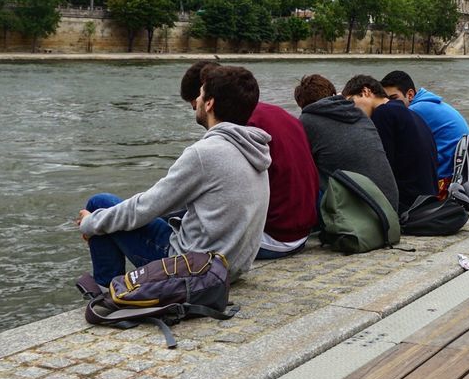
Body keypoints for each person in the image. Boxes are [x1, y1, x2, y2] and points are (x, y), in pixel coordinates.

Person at [76, 66, 271, 287]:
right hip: (230, 267)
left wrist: (91, 223)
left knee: (99, 204)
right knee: (127, 216)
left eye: (200, 94)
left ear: (209, 103)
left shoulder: (205, 153)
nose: (196, 101)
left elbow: (145, 207)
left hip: (193, 269)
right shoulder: (255, 149)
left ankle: (106, 293)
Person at [180, 62, 318, 260]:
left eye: (196, 105)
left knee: (175, 219)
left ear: (208, 97)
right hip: (301, 232)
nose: (197, 113)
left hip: (274, 237)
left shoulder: (242, 127)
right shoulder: (279, 113)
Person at [295, 74, 400, 212]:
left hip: (362, 217)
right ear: (333, 93)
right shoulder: (360, 114)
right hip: (390, 210)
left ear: (303, 105)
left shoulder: (307, 120)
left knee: (301, 177)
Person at [342, 74, 438, 213]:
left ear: (366, 92)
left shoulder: (383, 113)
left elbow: (382, 169)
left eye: (351, 101)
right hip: (426, 200)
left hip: (407, 205)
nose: (351, 109)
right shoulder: (408, 113)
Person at [380, 70, 469, 187]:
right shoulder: (428, 102)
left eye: (393, 98)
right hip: (459, 170)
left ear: (410, 95)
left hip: (446, 177)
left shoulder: (416, 109)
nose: (389, 104)